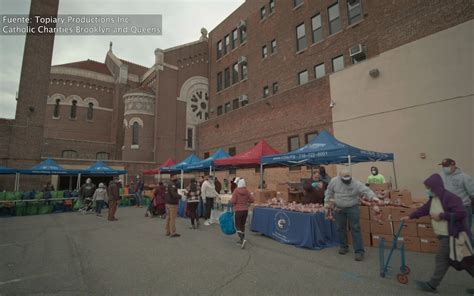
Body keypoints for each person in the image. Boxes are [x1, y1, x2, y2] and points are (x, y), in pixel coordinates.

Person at [401, 173, 472, 293]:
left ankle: (432, 285)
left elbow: (461, 213)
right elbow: (423, 210)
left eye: (429, 188)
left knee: (442, 259)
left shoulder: (451, 198)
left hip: (451, 235)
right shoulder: (434, 199)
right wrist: (409, 216)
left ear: (436, 187)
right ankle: (432, 284)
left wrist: (441, 215)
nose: (427, 191)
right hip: (445, 236)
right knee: (464, 261)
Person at [324, 168, 379, 261]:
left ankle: (359, 251)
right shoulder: (334, 181)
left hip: (352, 207)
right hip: (339, 208)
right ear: (340, 177)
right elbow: (329, 191)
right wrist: (326, 201)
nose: (347, 181)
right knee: (340, 228)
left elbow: (366, 190)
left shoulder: (356, 183)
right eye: (344, 179)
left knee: (355, 228)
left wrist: (373, 197)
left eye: (348, 179)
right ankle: (343, 247)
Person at [438, 158, 474, 244]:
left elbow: (472, 193)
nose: (444, 168)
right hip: (447, 209)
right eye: (443, 166)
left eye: (447, 166)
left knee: (465, 232)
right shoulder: (440, 176)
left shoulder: (464, 177)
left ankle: (470, 253)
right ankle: (454, 253)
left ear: (453, 165)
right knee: (450, 232)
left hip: (462, 208)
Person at [230, 179, 254, 249]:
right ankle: (242, 239)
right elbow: (252, 199)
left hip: (238, 210)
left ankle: (242, 239)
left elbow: (233, 201)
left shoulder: (236, 191)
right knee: (242, 225)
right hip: (245, 210)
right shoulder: (247, 191)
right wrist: (247, 203)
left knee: (237, 225)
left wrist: (230, 201)